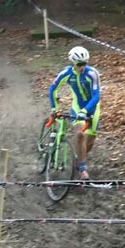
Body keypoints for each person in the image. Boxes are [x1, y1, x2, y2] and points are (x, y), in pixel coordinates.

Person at [48, 46, 101, 180]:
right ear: (73, 63)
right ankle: (83, 169)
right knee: (80, 135)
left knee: (89, 142)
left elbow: (96, 96)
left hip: (92, 108)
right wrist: (54, 108)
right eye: (79, 64)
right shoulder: (66, 74)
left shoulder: (92, 74)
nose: (82, 67)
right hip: (77, 106)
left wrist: (86, 110)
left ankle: (78, 158)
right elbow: (52, 90)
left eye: (85, 63)